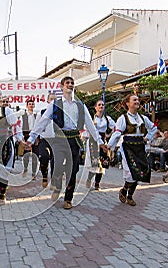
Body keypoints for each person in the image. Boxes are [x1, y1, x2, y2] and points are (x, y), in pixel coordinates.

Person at [24, 76, 105, 210]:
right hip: (59, 139)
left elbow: (89, 124)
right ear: (62, 87)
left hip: (74, 139)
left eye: (72, 83)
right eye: (67, 83)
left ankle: (68, 198)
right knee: (56, 165)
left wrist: (99, 140)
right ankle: (56, 187)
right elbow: (43, 121)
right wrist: (32, 139)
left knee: (72, 170)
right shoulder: (54, 104)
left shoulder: (80, 105)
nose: (70, 85)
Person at [107, 94, 158, 206]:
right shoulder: (123, 118)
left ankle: (129, 195)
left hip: (140, 147)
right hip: (128, 148)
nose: (137, 101)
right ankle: (125, 190)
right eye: (134, 100)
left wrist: (147, 138)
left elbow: (154, 128)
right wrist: (109, 146)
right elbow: (117, 134)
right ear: (127, 103)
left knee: (140, 172)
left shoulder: (143, 118)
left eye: (138, 100)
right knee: (131, 172)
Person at [87, 99, 116, 190]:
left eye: (102, 105)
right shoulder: (92, 119)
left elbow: (116, 128)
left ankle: (97, 183)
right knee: (95, 163)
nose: (101, 106)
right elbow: (89, 130)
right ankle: (89, 179)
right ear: (95, 107)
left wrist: (109, 135)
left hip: (103, 141)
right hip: (93, 142)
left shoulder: (107, 119)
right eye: (99, 105)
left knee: (103, 163)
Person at [33, 93, 56, 188]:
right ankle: (44, 176)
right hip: (44, 140)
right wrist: (34, 138)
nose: (53, 101)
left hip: (56, 140)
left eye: (55, 100)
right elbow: (37, 127)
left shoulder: (60, 114)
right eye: (51, 99)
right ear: (48, 101)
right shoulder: (42, 113)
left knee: (55, 161)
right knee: (44, 158)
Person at [21, 99, 38, 179]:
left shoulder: (36, 115)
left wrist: (37, 138)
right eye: (29, 104)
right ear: (27, 106)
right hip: (27, 135)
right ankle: (25, 169)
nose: (31, 105)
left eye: (32, 104)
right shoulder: (23, 116)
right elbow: (21, 127)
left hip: (35, 135)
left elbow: (39, 127)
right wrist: (22, 139)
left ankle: (34, 173)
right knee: (26, 154)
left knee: (35, 155)